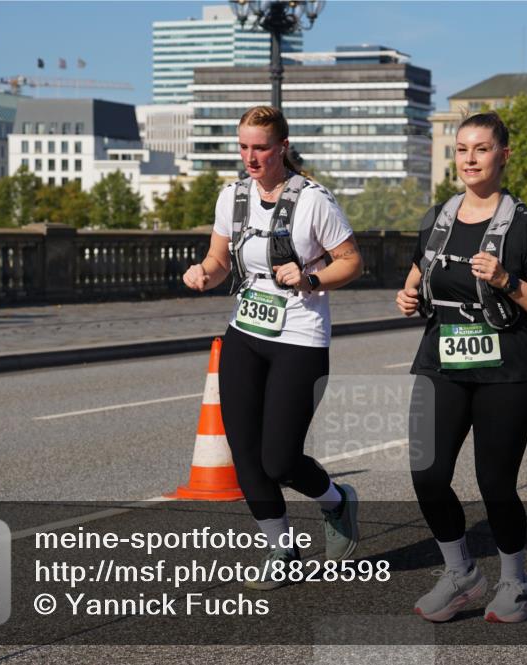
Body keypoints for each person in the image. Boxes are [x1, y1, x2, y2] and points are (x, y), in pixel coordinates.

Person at [395, 112, 527, 622]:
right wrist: (408, 295)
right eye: (462, 149)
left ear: (503, 155)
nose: (469, 159)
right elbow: (418, 273)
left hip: (508, 366)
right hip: (442, 358)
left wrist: (507, 281)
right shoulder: (438, 218)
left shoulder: (525, 226)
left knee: (494, 483)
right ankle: (461, 573)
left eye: (482, 149)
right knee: (426, 474)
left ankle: (516, 582)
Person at [183, 105, 364, 589]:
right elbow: (219, 260)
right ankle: (281, 548)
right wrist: (203, 274)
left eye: (260, 148)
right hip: (245, 332)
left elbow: (351, 261)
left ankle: (336, 502)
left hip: (300, 336)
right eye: (243, 147)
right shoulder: (232, 196)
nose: (251, 157)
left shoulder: (314, 200)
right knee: (245, 454)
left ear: (282, 147)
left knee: (279, 460)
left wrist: (310, 278)